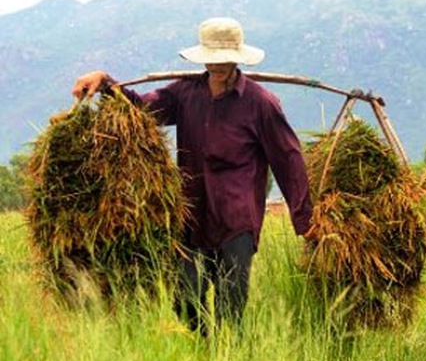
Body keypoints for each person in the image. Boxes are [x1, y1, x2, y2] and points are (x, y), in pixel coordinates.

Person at [71, 17, 312, 335]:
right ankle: (203, 346)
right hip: (192, 218)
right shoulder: (185, 93)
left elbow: (288, 159)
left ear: (237, 57)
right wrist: (105, 82)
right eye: (211, 58)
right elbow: (141, 109)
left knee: (230, 308)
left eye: (224, 58)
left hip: (237, 221)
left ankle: (225, 360)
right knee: (184, 302)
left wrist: (305, 221)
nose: (217, 65)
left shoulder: (260, 103)